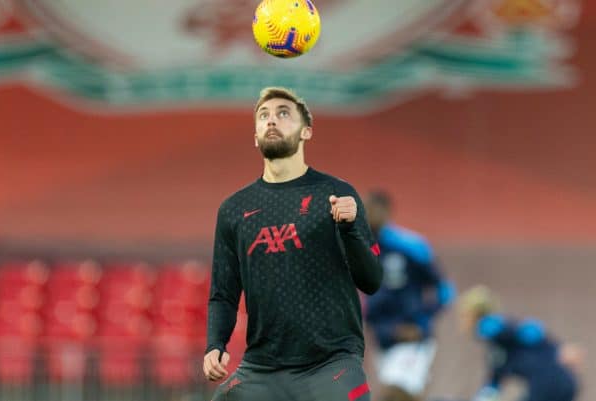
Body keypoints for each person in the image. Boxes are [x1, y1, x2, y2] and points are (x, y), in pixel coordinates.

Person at [203, 86, 384, 401]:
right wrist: (214, 345)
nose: (272, 120)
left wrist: (350, 228)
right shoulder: (233, 209)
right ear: (256, 135)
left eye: (283, 114)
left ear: (307, 132)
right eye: (264, 116)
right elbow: (223, 294)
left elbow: (372, 281)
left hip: (331, 364)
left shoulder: (336, 193)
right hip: (261, 369)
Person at [362, 190, 456, 401]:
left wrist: (421, 322)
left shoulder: (409, 246)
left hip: (412, 339)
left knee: (395, 394)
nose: (367, 214)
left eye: (371, 208)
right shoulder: (358, 248)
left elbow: (445, 290)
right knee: (407, 395)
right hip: (383, 339)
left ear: (386, 212)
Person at [458, 285, 583, 401]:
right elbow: (496, 377)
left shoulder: (493, 329)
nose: (463, 321)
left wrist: (558, 349)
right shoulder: (498, 347)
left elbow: (529, 332)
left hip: (549, 384)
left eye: (465, 315)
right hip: (563, 384)